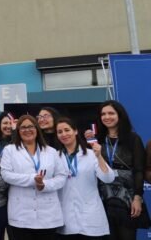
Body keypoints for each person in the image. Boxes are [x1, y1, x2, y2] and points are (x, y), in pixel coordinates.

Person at [0, 115, 68, 240]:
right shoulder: (9, 150)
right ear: (18, 131)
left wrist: (44, 185)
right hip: (21, 214)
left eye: (31, 126)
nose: (27, 130)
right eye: (23, 127)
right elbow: (6, 175)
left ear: (37, 129)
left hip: (48, 214)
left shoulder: (52, 152)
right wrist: (33, 179)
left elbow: (61, 176)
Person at [95, 100, 149, 239]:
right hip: (104, 196)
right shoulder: (98, 140)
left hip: (127, 197)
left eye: (111, 113)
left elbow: (139, 170)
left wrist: (137, 198)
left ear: (120, 115)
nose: (107, 117)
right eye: (103, 114)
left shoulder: (132, 138)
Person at [55, 116, 114, 238]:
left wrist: (99, 157)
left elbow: (108, 178)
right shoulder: (55, 157)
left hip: (91, 218)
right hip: (66, 219)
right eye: (59, 132)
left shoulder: (91, 154)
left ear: (75, 131)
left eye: (67, 130)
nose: (64, 134)